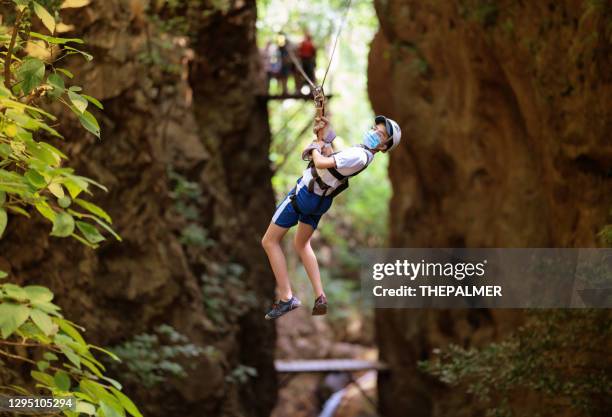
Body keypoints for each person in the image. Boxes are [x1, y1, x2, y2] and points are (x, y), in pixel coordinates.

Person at [261, 115, 402, 320]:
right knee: (301, 244)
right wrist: (325, 135)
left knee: (269, 241)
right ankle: (320, 295)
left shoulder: (359, 155)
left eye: (379, 134)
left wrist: (316, 146)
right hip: (320, 201)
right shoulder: (363, 155)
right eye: (374, 128)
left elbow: (321, 162)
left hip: (304, 195)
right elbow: (334, 161)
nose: (373, 133)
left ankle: (286, 297)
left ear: (383, 146)